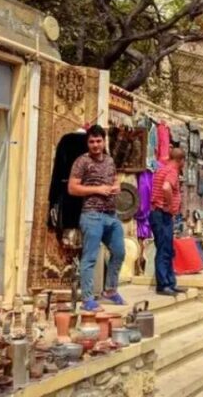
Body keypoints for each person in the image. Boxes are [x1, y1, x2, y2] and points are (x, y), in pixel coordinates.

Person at [68, 124, 125, 312]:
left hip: (111, 215)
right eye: (91, 141)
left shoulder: (109, 160)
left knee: (119, 252)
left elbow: (115, 179)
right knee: (90, 258)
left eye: (98, 141)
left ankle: (110, 290)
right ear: (87, 142)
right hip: (92, 215)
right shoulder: (81, 162)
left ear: (103, 141)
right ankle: (87, 299)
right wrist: (97, 189)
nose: (95, 145)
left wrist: (117, 186)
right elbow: (72, 188)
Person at [150, 147, 187, 296]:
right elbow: (166, 188)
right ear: (181, 160)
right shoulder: (172, 171)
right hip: (162, 214)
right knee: (164, 250)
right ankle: (164, 284)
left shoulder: (162, 169)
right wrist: (170, 206)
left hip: (158, 214)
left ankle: (170, 282)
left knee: (167, 249)